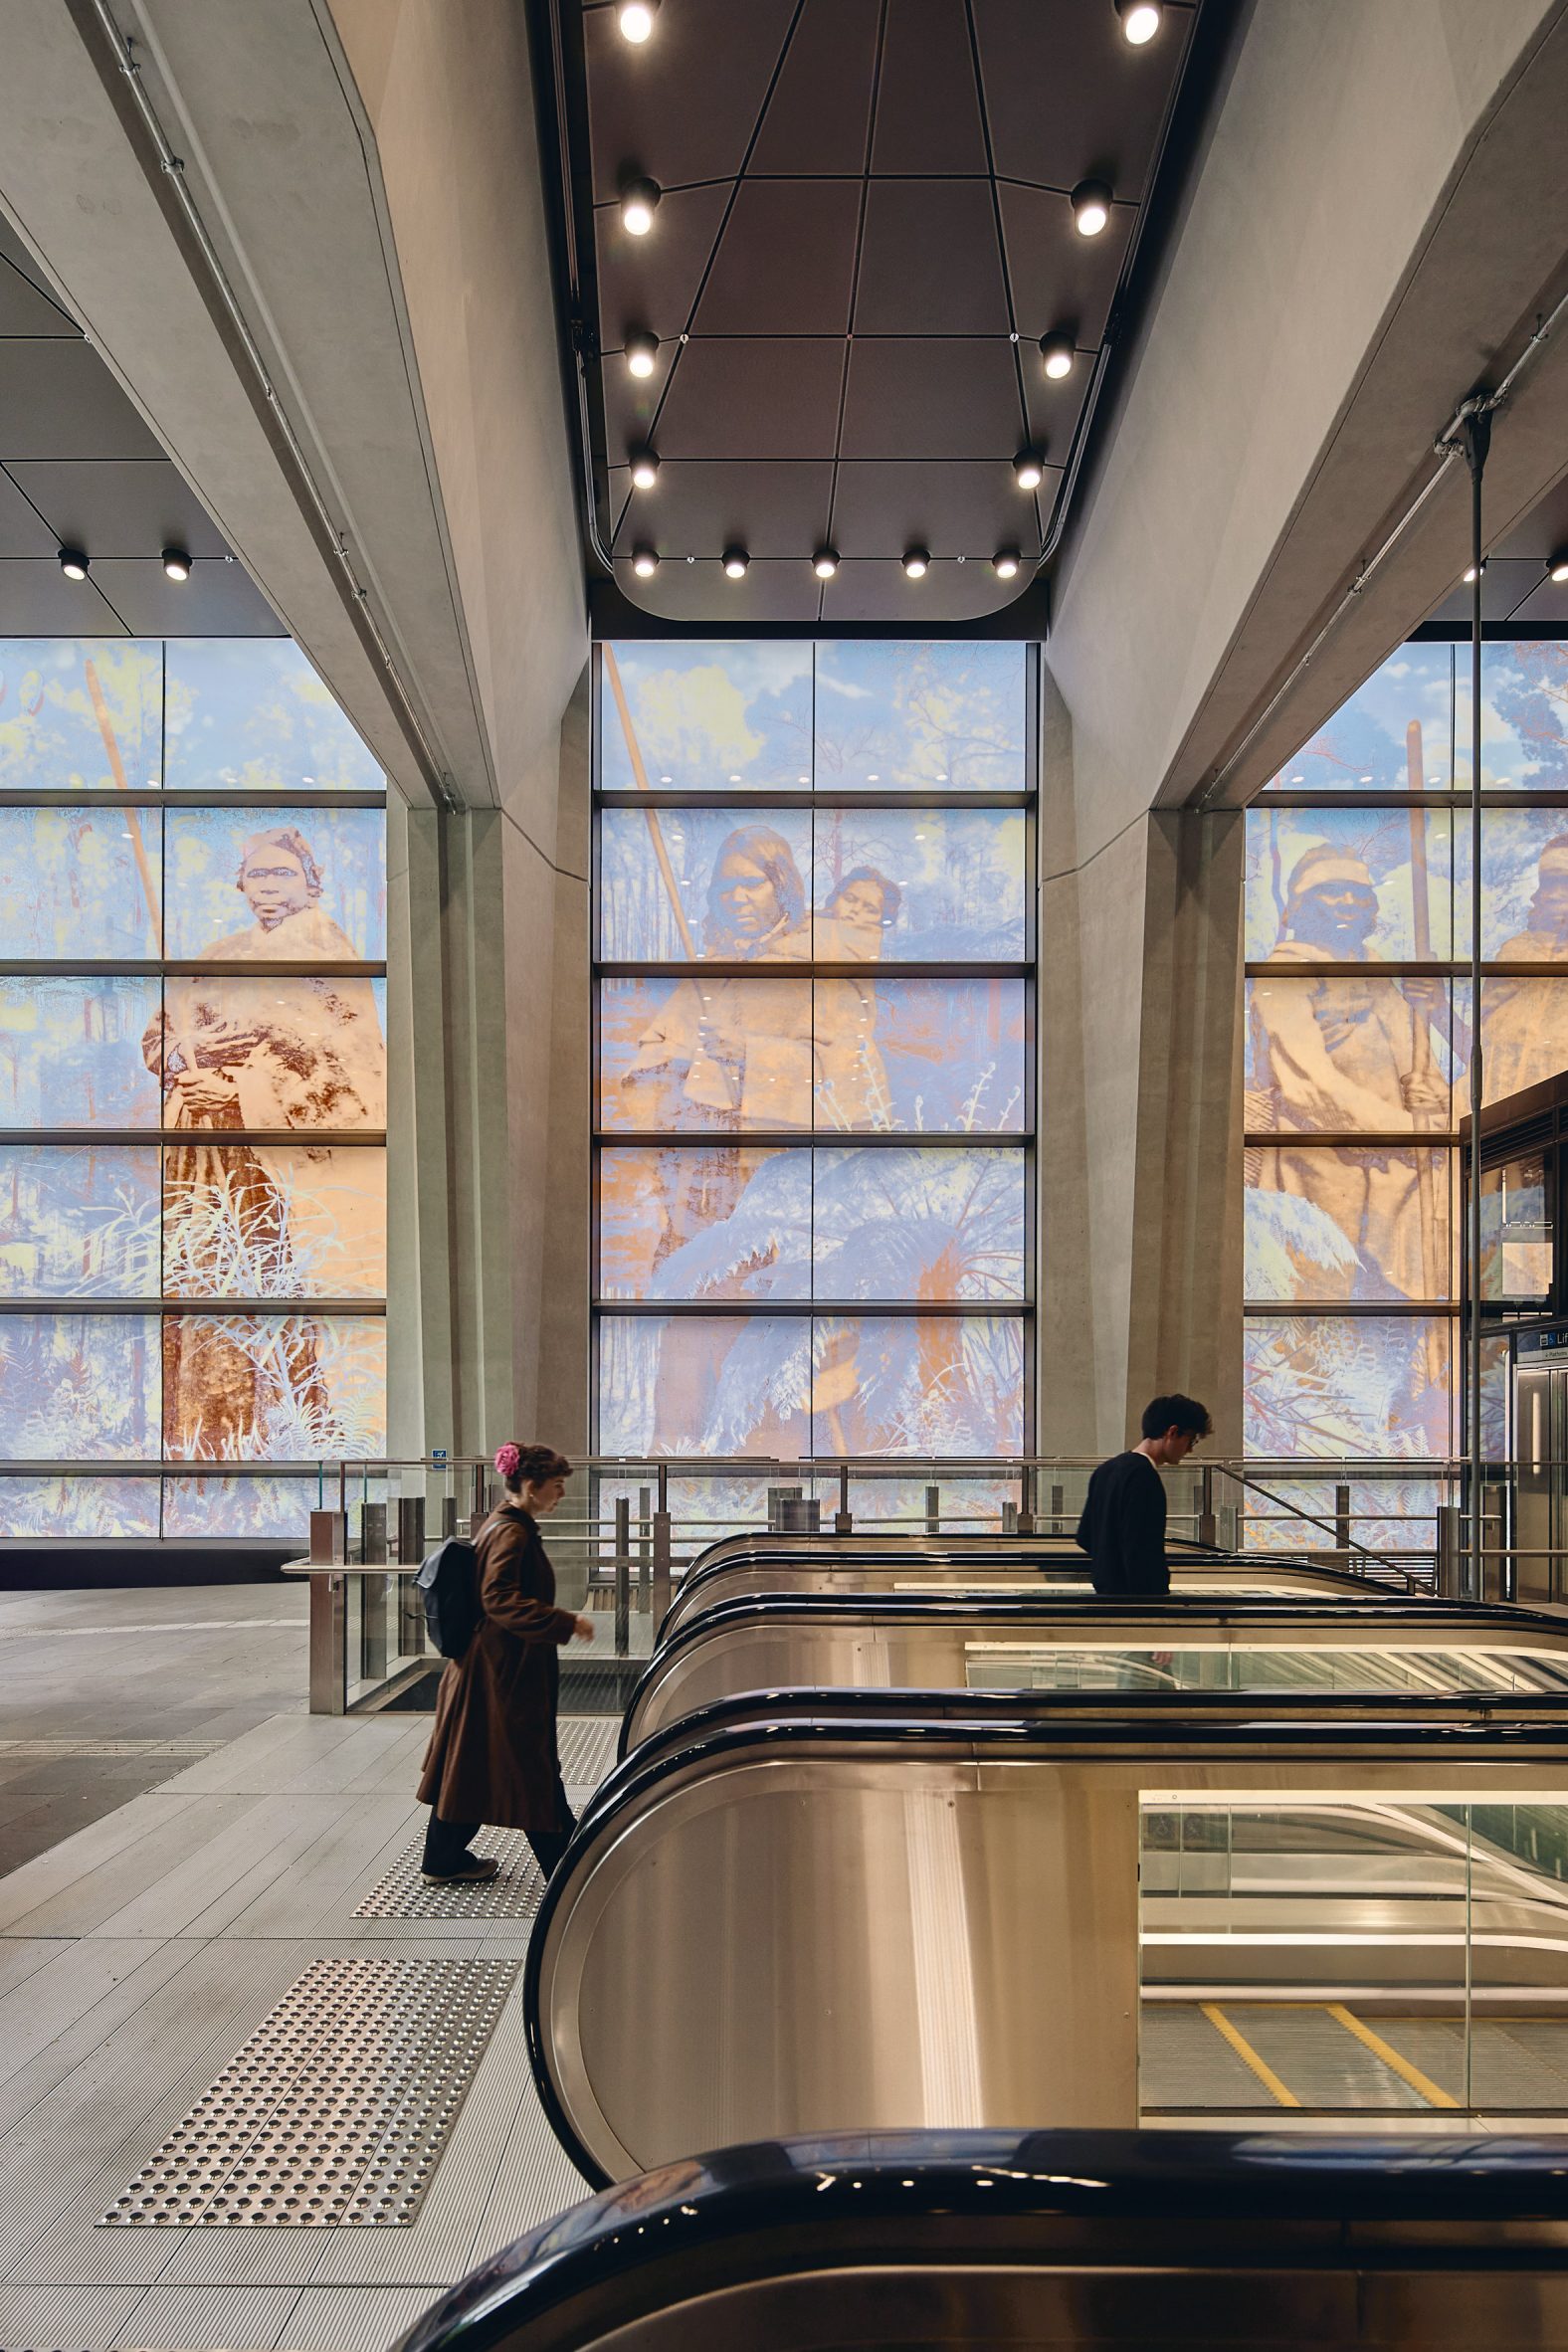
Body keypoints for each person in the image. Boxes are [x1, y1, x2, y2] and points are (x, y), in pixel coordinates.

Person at [144, 824, 387, 1453]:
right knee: (200, 1273)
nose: (268, 886)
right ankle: (203, 1435)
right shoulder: (217, 957)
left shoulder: (329, 956)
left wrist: (241, 1086)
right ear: (240, 883)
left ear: (310, 881)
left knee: (267, 1271)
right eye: (258, 873)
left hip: (273, 1149)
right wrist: (184, 1060)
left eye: (283, 873)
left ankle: (284, 1426)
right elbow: (158, 1038)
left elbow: (346, 1062)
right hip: (199, 1142)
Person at [1248, 844, 1447, 1298]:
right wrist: (1405, 1130)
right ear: (1302, 902)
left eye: (1359, 894)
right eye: (1332, 892)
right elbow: (1310, 1084)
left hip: (1394, 1162)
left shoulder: (1372, 966)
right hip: (1319, 1157)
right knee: (1325, 1295)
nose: (1349, 904)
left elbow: (1409, 1054)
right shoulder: (1284, 971)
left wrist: (1430, 1093)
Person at [416, 1442, 594, 1884]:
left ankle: (443, 1859)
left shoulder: (505, 1523)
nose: (561, 1495)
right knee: (528, 1762)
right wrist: (563, 1621)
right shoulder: (512, 1532)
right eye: (556, 1487)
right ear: (531, 1487)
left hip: (489, 1668)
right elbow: (498, 1598)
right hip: (502, 1673)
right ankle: (567, 1868)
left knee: (474, 1762)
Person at [1075, 1394, 1213, 1598]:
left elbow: (1085, 1536)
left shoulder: (1105, 1470)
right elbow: (1140, 1549)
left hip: (1105, 1593)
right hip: (1137, 1602)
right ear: (1172, 1432)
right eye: (1190, 1440)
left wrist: (1109, 1564)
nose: (1190, 1449)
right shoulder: (1144, 1477)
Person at [1482, 834, 1568, 1101]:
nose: (1555, 894)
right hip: (1514, 1117)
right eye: (1549, 882)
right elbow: (1481, 1043)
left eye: (1563, 882)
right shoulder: (1515, 953)